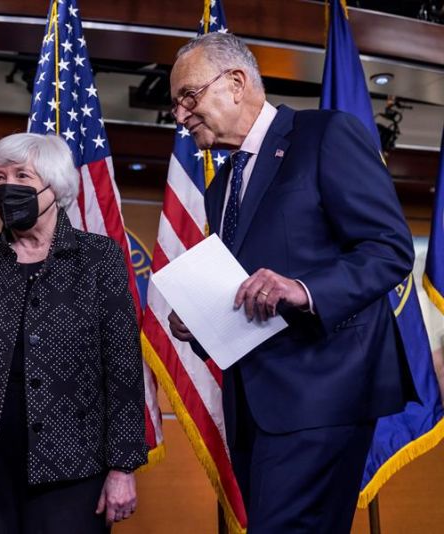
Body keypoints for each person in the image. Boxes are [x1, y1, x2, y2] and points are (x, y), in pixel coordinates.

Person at [166, 33, 416, 533]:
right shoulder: (220, 189)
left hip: (325, 390)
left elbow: (389, 250)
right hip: (255, 405)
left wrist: (303, 289)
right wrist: (203, 321)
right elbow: (247, 289)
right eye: (175, 104)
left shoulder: (324, 135)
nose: (180, 115)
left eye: (188, 97)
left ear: (236, 83)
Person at [0, 132, 148, 533]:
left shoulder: (99, 259)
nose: (7, 188)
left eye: (22, 176)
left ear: (54, 187)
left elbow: (124, 370)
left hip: (74, 471)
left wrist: (123, 466)